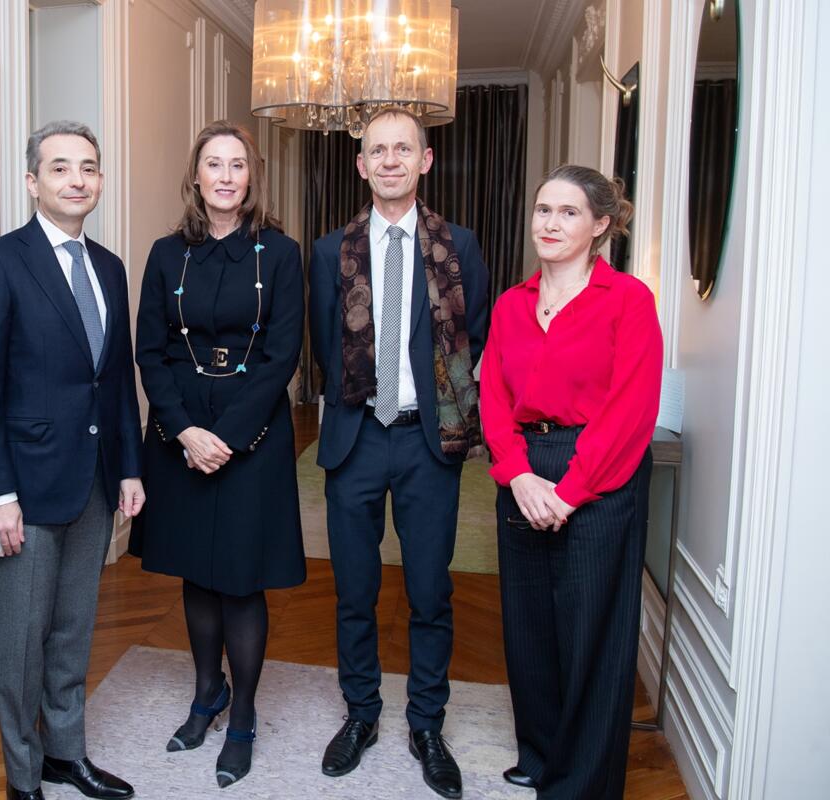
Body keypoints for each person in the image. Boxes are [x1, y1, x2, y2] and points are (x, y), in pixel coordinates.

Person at [0, 120, 145, 800]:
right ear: (33, 181)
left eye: (89, 167)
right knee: (22, 640)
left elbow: (115, 376)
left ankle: (67, 753)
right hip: (26, 489)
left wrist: (129, 467)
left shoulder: (111, 268)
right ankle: (22, 776)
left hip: (94, 482)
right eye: (60, 167)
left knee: (72, 631)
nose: (77, 179)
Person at [307, 107, 488, 799]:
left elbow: (480, 334)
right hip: (355, 438)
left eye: (401, 149)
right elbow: (324, 343)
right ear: (361, 165)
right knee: (354, 592)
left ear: (424, 161)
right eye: (376, 150)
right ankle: (361, 716)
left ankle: (427, 724)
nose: (388, 160)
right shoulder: (331, 251)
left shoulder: (459, 246)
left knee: (429, 591)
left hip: (425, 439)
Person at [129, 120, 306, 789]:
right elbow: (152, 351)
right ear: (195, 176)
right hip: (181, 434)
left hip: (251, 433)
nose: (226, 176)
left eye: (238, 165)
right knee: (196, 573)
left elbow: (280, 355)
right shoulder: (165, 254)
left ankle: (244, 716)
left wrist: (227, 437)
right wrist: (184, 432)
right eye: (214, 164)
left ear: (250, 177)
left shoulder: (280, 255)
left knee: (239, 576)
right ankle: (208, 694)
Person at [479, 164, 662, 798]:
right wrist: (519, 476)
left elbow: (631, 409)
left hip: (598, 476)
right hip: (525, 469)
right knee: (528, 626)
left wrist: (570, 490)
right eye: (543, 210)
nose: (550, 223)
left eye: (568, 213)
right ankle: (541, 752)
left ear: (601, 225)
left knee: (591, 634)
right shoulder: (511, 303)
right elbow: (494, 400)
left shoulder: (628, 300)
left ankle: (580, 782)